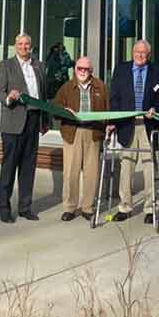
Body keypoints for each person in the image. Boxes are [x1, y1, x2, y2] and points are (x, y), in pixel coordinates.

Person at [107, 40, 159, 223]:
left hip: (149, 125)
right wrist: (113, 121)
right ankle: (125, 207)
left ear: (149, 55)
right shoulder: (121, 69)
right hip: (127, 125)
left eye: (144, 53)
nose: (140, 55)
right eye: (137, 52)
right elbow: (114, 97)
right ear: (132, 53)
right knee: (127, 166)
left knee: (149, 167)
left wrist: (156, 108)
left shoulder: (158, 71)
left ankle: (150, 208)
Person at [0, 32, 47, 223]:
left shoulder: (39, 65)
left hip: (33, 120)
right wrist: (9, 97)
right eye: (20, 44)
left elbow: (44, 94)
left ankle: (25, 207)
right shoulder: (6, 65)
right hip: (13, 123)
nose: (24, 47)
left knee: (28, 167)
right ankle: (4, 207)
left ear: (31, 46)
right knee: (9, 167)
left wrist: (45, 120)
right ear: (15, 46)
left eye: (27, 44)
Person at [53, 56, 108, 221]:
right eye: (80, 68)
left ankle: (87, 207)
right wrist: (64, 111)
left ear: (91, 71)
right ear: (75, 69)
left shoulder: (101, 86)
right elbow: (55, 109)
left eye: (86, 69)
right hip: (73, 132)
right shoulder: (66, 88)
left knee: (91, 173)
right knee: (71, 172)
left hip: (93, 132)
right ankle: (69, 207)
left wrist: (109, 126)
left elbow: (108, 109)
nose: (83, 72)